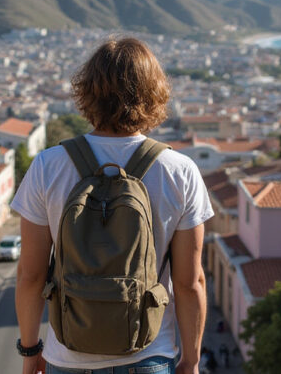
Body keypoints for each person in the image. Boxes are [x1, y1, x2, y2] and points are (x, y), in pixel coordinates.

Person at [13, 38, 214, 374]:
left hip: (67, 357)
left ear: (87, 92)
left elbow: (30, 275)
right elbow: (190, 282)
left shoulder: (49, 166)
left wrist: (31, 349)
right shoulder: (180, 171)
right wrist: (191, 360)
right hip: (148, 354)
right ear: (153, 93)